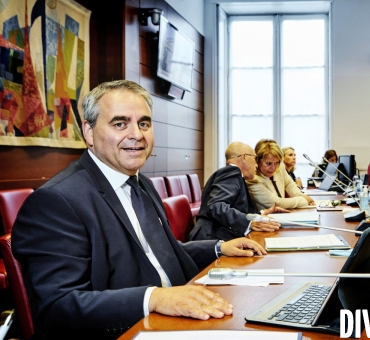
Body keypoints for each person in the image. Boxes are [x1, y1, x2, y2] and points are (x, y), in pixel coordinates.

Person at [11, 80, 266, 339]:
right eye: (120, 123)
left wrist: (218, 247)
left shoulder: (139, 183)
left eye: (144, 123)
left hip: (183, 320)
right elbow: (59, 307)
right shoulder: (56, 201)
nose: (137, 134)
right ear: (88, 132)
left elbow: (158, 252)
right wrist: (154, 298)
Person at [189, 142, 289, 241]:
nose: (256, 165)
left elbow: (236, 210)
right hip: (211, 238)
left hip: (214, 235)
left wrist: (262, 213)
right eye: (255, 159)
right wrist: (249, 222)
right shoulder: (232, 171)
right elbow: (216, 206)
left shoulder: (233, 174)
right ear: (244, 157)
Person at [247, 139, 315, 210]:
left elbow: (290, 185)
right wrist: (304, 200)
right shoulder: (252, 179)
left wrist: (305, 198)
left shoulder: (280, 167)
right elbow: (277, 203)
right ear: (257, 161)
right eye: (268, 163)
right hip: (267, 219)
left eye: (276, 163)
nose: (273, 168)